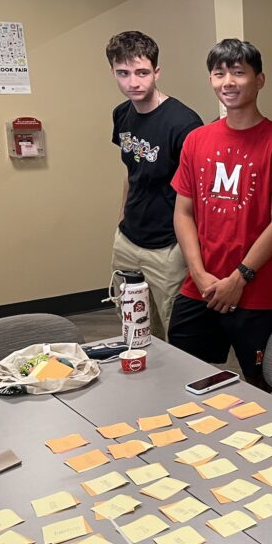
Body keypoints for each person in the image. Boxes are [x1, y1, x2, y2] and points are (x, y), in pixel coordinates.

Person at [169, 39, 272, 388]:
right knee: (185, 375)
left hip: (255, 291)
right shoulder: (196, 140)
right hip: (199, 287)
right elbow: (183, 213)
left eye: (238, 73)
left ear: (259, 80)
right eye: (219, 74)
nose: (227, 82)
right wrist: (199, 275)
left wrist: (238, 278)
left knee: (261, 383)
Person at [106, 30, 203, 340]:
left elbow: (198, 194)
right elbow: (129, 171)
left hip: (168, 246)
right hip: (128, 238)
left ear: (156, 72)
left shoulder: (184, 123)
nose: (133, 82)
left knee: (173, 333)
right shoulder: (122, 114)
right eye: (123, 73)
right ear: (113, 73)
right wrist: (122, 216)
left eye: (142, 72)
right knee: (134, 328)